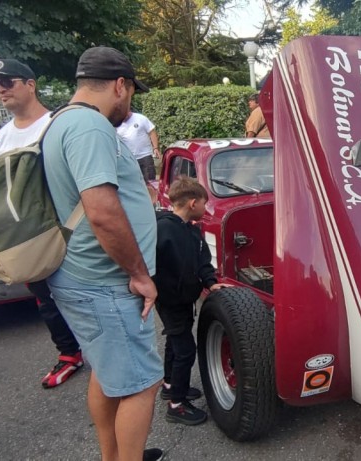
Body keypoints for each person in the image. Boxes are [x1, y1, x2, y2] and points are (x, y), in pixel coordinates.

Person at [41, 46, 163, 461]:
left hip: (81, 276)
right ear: (119, 85)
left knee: (109, 375)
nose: (129, 105)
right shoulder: (90, 127)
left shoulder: (59, 121)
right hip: (107, 284)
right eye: (130, 94)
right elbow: (103, 213)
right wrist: (140, 275)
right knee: (141, 384)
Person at [0, 58, 85, 389]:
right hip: (27, 235)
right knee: (45, 300)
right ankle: (69, 354)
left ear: (30, 84)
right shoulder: (3, 136)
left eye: (7, 82)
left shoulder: (56, 123)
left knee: (81, 294)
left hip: (67, 227)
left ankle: (98, 349)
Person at [154, 178, 226, 425]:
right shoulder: (161, 229)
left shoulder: (193, 231)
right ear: (193, 202)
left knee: (175, 342)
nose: (206, 208)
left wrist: (209, 281)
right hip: (169, 300)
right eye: (205, 203)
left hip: (185, 300)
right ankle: (177, 404)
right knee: (185, 350)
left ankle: (170, 383)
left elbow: (203, 261)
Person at [117, 110, 160, 181]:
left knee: (150, 181)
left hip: (145, 156)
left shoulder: (140, 118)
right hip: (129, 160)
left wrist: (155, 148)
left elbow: (152, 132)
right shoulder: (117, 124)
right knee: (133, 182)